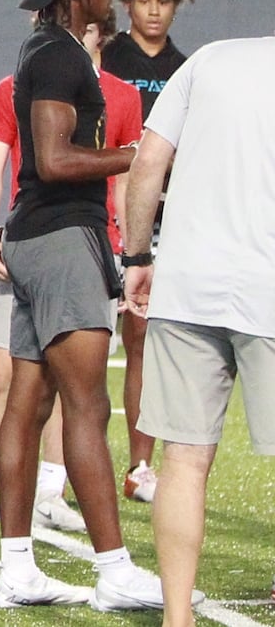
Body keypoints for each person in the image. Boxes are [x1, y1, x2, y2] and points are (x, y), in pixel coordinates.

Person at [0, 0, 175, 612]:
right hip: (62, 238)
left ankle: (16, 567)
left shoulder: (41, 49)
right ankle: (115, 568)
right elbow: (57, 158)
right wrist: (141, 154)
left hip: (37, 238)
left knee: (31, 403)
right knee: (87, 405)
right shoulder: (62, 53)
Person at [0, 13, 141, 536]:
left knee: (76, 384)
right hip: (30, 241)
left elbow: (127, 179)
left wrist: (128, 253)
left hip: (93, 249)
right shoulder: (15, 86)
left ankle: (51, 492)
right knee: (3, 375)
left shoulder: (121, 96)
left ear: (100, 31)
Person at [122, 34, 275, 625]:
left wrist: (137, 259)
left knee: (183, 460)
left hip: (187, 286)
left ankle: (177, 617)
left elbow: (148, 163)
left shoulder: (208, 59)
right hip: (267, 288)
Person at [100, 0, 206, 505]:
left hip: (168, 223)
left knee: (148, 340)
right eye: (143, 0)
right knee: (89, 344)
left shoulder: (187, 69)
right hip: (108, 217)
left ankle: (140, 465)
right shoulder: (111, 59)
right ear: (127, 2)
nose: (154, 11)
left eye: (163, 1)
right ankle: (66, 464)